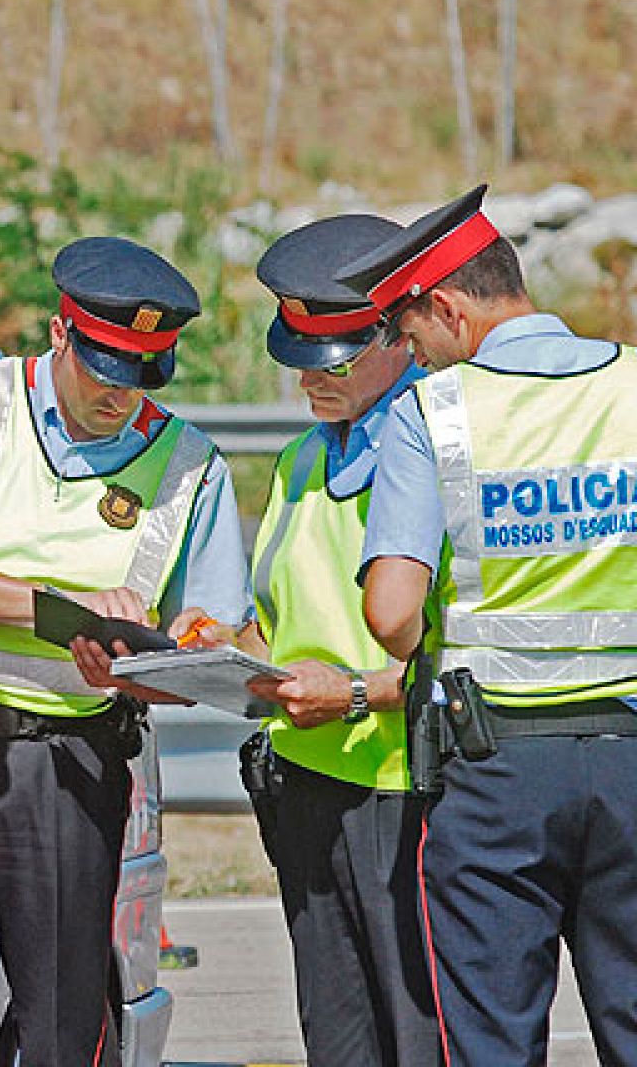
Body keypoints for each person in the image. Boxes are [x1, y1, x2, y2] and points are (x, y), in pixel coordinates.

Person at [0, 237, 254, 1067]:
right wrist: (64, 615)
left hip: (70, 758)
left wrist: (158, 661)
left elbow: (212, 645)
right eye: (105, 370)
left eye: (142, 375)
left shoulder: (191, 465)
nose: (120, 395)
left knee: (64, 1027)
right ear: (60, 333)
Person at [339, 184, 637, 1065]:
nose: (411, 356)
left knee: (491, 1039)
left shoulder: (433, 413)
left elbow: (392, 612)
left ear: (449, 307)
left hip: (496, 767)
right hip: (631, 751)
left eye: (407, 332)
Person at [243, 215, 439, 1066]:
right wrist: (201, 650)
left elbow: (462, 649)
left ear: (396, 336)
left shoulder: (439, 452)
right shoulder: (299, 461)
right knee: (337, 1038)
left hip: (408, 791)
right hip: (307, 786)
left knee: (420, 1037)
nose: (309, 381)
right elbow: (275, 621)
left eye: (335, 361)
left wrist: (355, 693)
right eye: (302, 361)